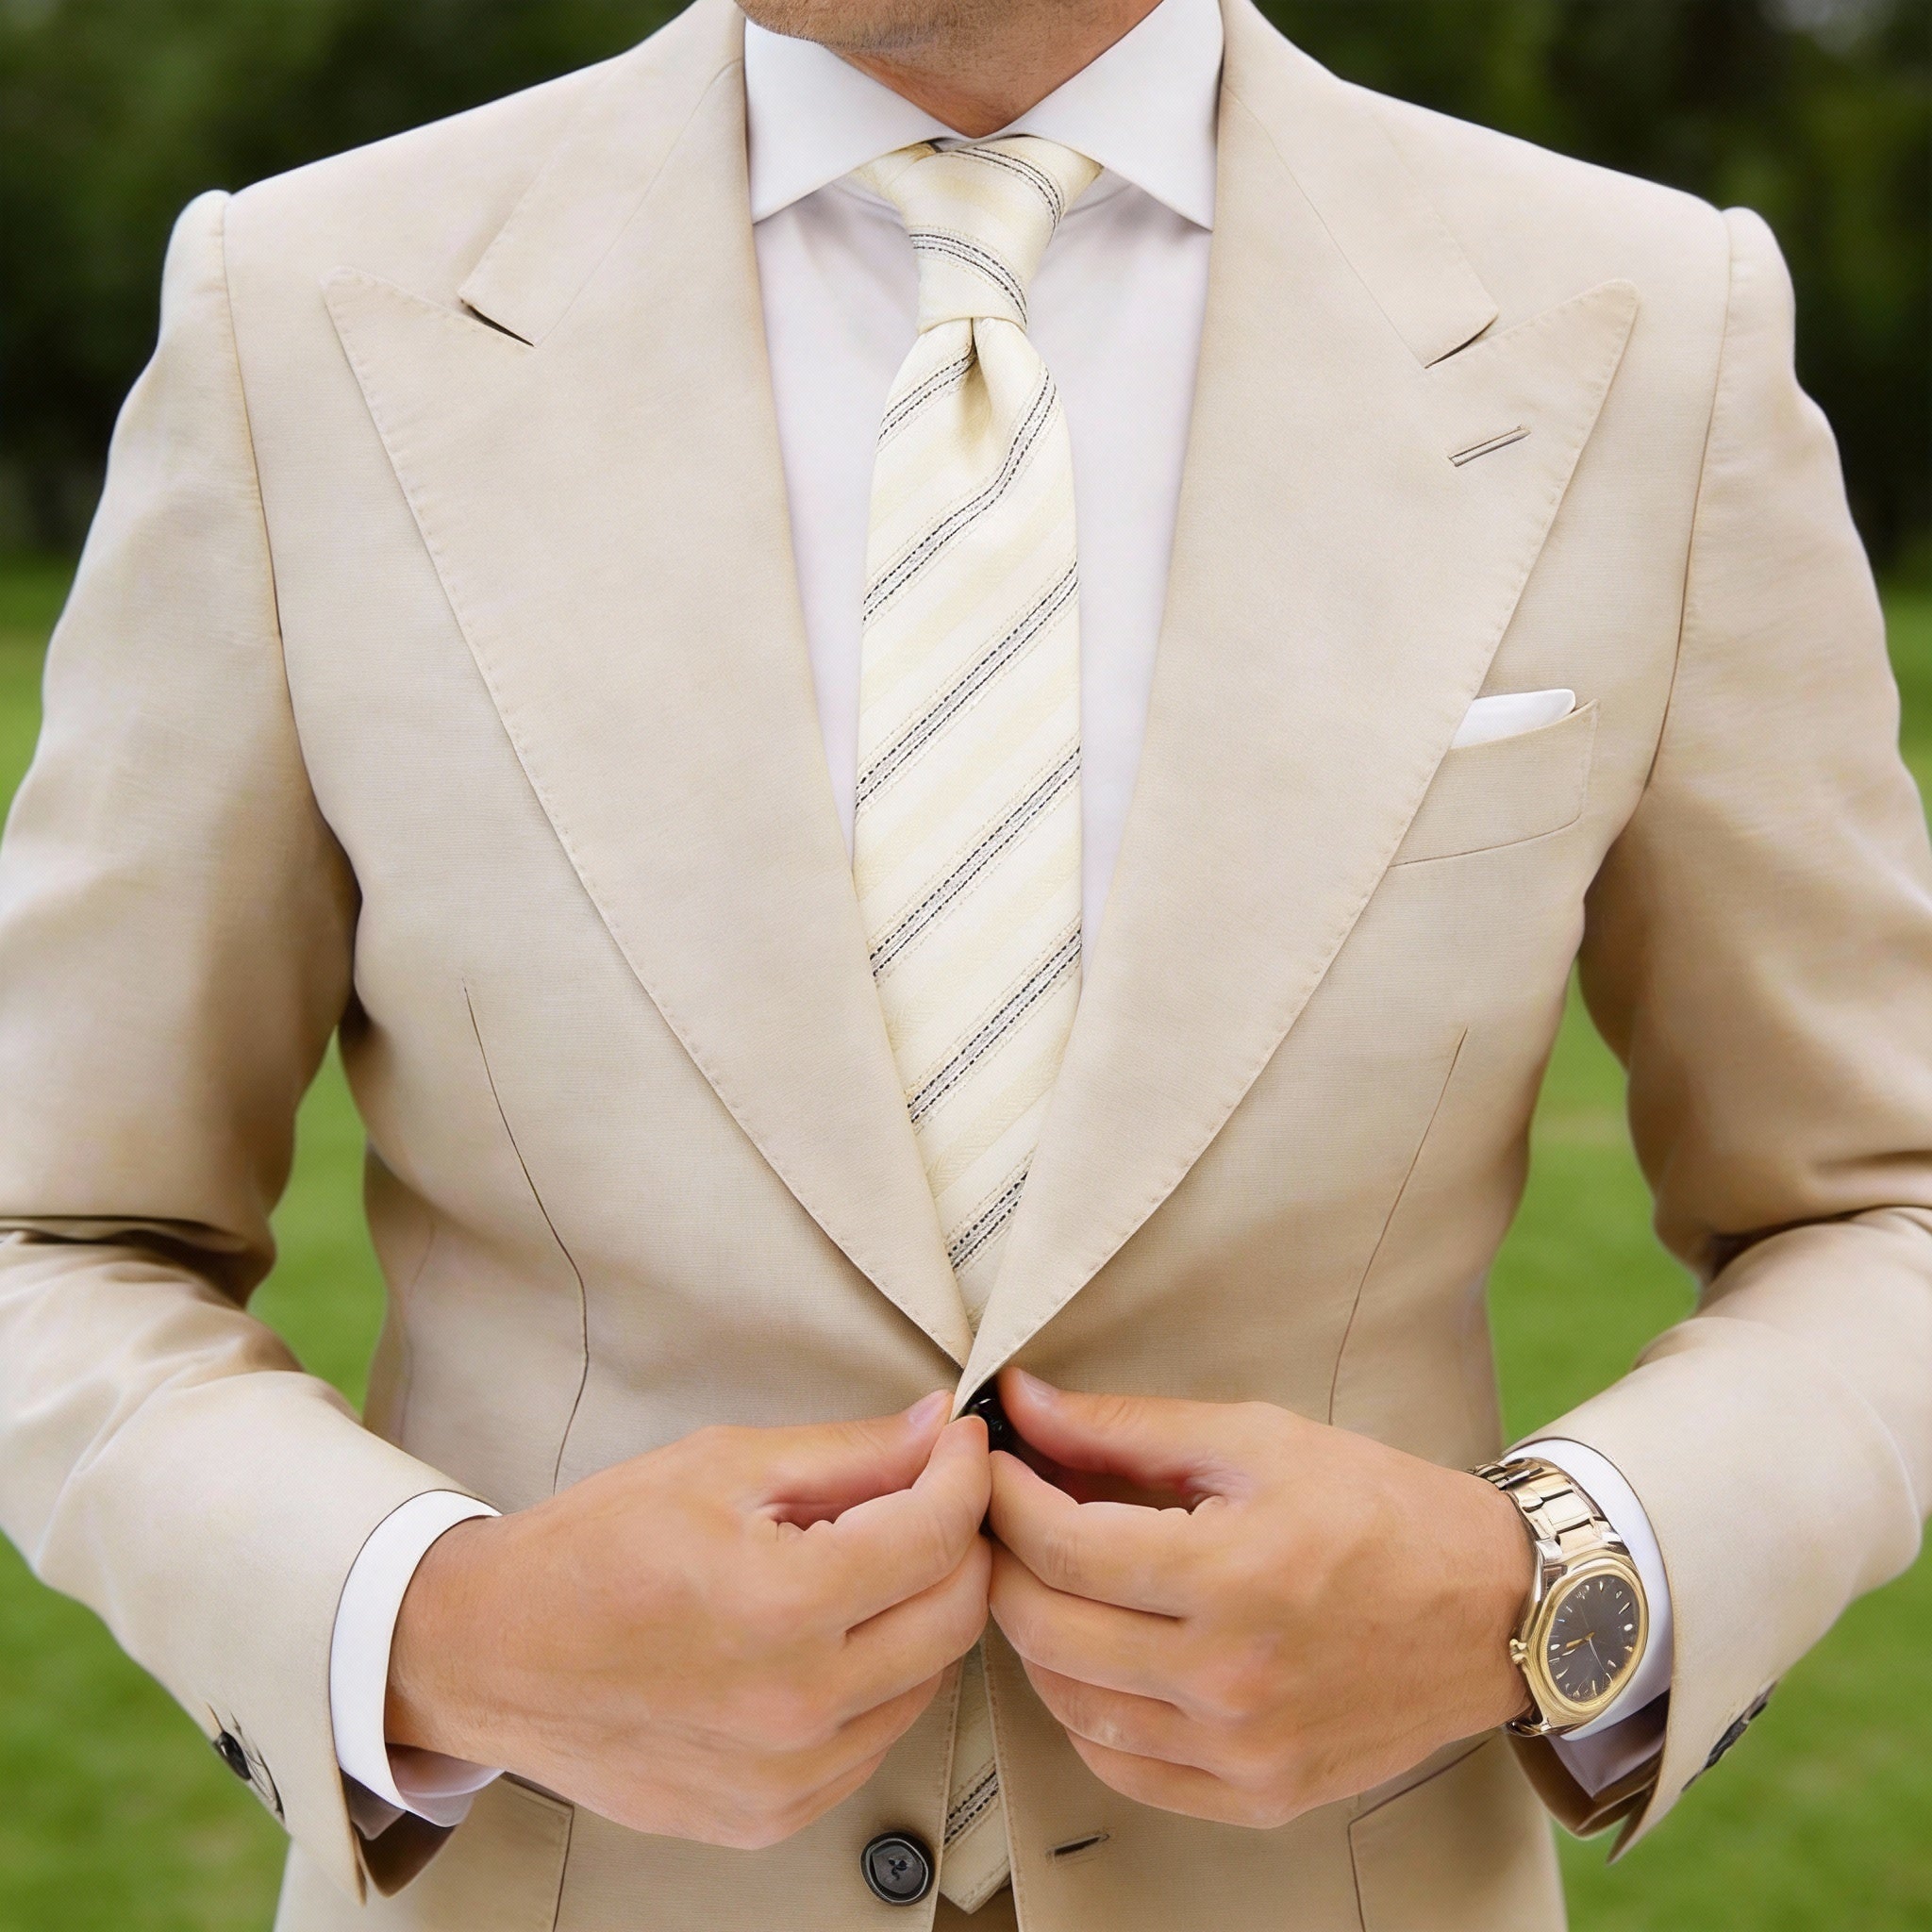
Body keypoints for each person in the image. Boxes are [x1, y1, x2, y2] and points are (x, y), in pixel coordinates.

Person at [2, 0, 1928, 1924]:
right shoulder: (306, 309)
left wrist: (1546, 1589)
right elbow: (54, 1230)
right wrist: (437, 1625)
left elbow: (1880, 1204)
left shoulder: (1647, 325)